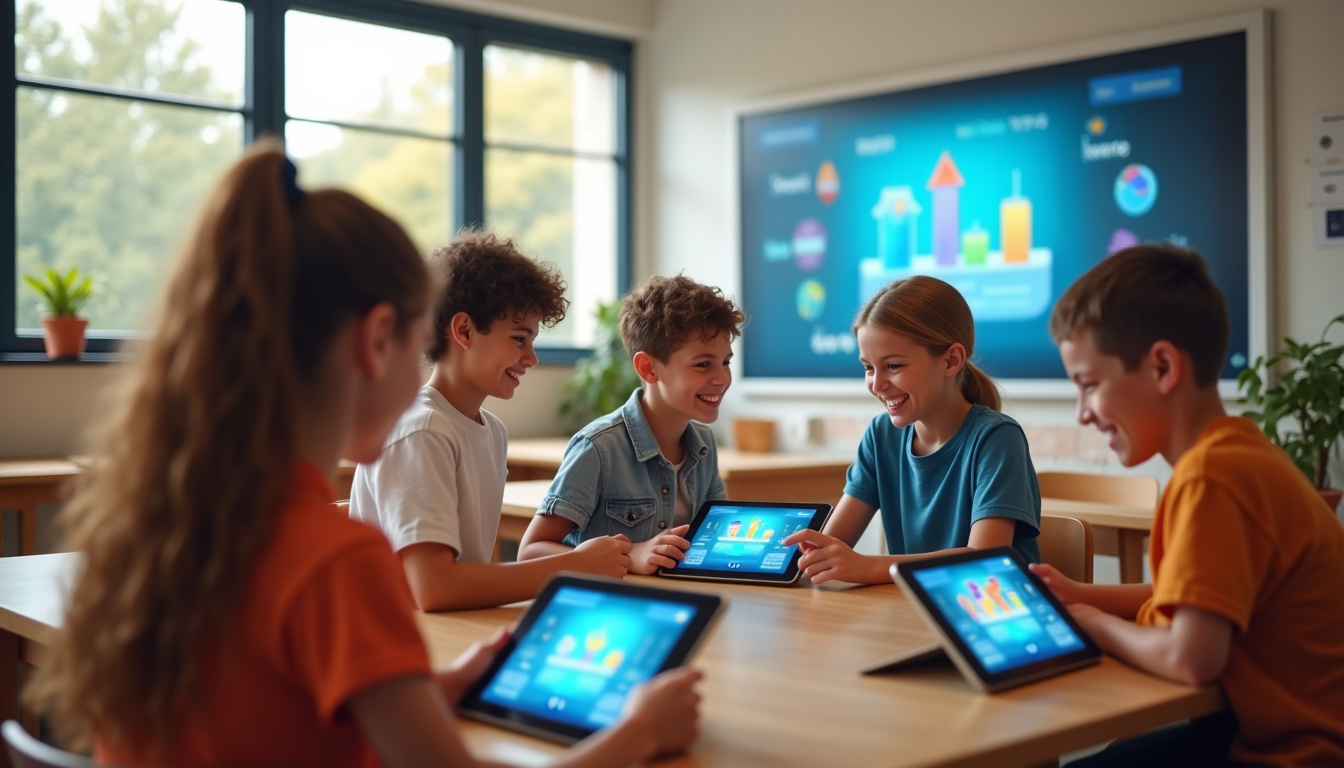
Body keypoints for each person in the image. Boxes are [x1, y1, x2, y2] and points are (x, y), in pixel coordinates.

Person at [24, 142, 701, 768]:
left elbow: (267, 709)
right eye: (415, 346)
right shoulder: (336, 560)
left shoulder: (168, 525)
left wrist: (428, 687)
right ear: (377, 341)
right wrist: (639, 729)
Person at [1033, 243, 1344, 768]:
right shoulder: (1240, 452)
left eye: (1089, 386)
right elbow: (1195, 599)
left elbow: (1191, 657)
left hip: (1297, 754)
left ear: (1162, 367)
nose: (1083, 414)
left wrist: (1093, 623)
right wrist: (1082, 595)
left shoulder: (1211, 478)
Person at [350, 229, 632, 611]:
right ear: (463, 330)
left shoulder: (491, 430)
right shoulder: (423, 429)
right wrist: (573, 566)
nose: (531, 358)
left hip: (453, 629)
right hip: (403, 638)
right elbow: (434, 589)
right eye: (519, 339)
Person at [782, 275, 1041, 584]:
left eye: (893, 366)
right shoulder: (882, 436)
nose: (877, 385)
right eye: (868, 368)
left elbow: (982, 561)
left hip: (993, 616)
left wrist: (868, 567)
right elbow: (832, 542)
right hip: (914, 611)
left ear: (951, 360)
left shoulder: (996, 438)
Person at [517, 274, 744, 575]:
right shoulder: (598, 448)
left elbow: (715, 537)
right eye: (703, 364)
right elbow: (530, 552)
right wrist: (631, 555)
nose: (721, 378)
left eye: (725, 362)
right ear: (649, 368)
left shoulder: (703, 443)